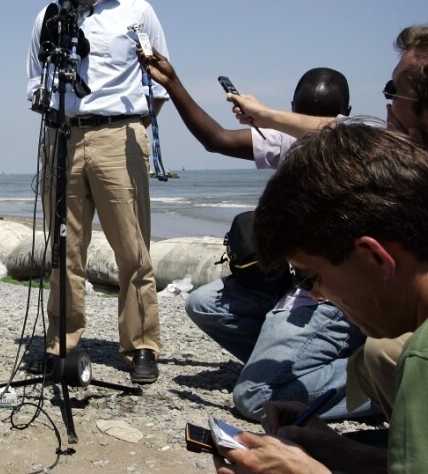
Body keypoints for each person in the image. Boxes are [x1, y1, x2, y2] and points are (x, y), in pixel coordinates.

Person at [137, 51, 371, 420]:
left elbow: (336, 133)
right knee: (204, 303)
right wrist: (173, 83)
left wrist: (265, 115)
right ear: (293, 108)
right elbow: (216, 139)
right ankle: (298, 366)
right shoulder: (284, 142)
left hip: (332, 297)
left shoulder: (363, 147)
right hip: (292, 287)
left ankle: (379, 382)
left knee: (254, 398)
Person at [222, 24, 428, 422]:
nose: (386, 104)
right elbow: (340, 131)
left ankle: (364, 382)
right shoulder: (403, 147)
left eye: (394, 92)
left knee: (382, 356)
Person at [212, 122, 428, 474]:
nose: (316, 293)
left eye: (313, 276)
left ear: (374, 257)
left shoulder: (421, 358)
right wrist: (341, 451)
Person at [26, 0, 168, 383]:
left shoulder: (136, 11)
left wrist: (134, 131)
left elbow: (160, 83)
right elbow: (34, 81)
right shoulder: (48, 17)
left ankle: (142, 346)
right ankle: (61, 343)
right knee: (65, 248)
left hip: (118, 135)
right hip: (62, 136)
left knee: (132, 248)